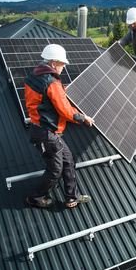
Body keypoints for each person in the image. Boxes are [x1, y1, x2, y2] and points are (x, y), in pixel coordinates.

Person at [24, 44, 94, 208]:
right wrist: (83, 118)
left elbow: (45, 97)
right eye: (62, 63)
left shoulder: (35, 75)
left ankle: (72, 197)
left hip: (49, 132)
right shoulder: (52, 83)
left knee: (68, 161)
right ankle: (35, 198)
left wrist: (61, 91)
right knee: (55, 170)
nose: (64, 66)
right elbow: (64, 111)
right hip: (45, 134)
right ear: (54, 63)